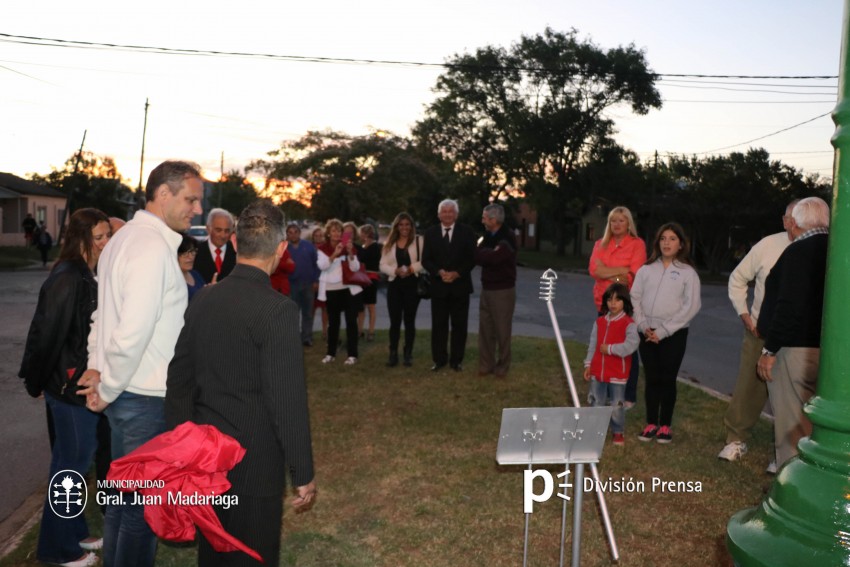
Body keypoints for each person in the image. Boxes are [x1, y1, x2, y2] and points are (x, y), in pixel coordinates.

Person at [166, 200, 316, 567]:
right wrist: (303, 471)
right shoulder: (278, 310)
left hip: (205, 456)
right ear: (281, 250)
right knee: (252, 554)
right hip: (255, 462)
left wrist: (183, 445)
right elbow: (287, 400)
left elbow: (179, 379)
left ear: (234, 242)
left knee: (214, 552)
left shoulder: (204, 297)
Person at [77, 160, 203, 567]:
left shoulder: (124, 239)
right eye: (191, 199)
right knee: (139, 512)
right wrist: (106, 386)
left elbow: (102, 316)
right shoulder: (149, 248)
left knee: (122, 505)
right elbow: (130, 329)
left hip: (128, 397)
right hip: (143, 400)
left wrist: (99, 372)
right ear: (163, 194)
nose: (196, 209)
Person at [19, 208, 111, 567]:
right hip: (68, 386)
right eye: (98, 237)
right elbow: (46, 333)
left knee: (73, 464)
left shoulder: (86, 272)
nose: (105, 243)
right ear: (81, 238)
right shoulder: (68, 276)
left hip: (76, 383)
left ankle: (74, 533)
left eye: (107, 236)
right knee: (70, 467)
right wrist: (35, 380)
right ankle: (59, 550)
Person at [717, 200, 797, 469]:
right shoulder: (767, 245)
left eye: (798, 217)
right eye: (789, 217)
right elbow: (738, 278)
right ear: (784, 220)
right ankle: (736, 438)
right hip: (760, 331)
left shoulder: (819, 248)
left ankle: (785, 453)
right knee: (749, 388)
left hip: (797, 337)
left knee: (792, 395)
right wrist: (745, 315)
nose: (792, 222)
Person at [756, 197, 829, 468]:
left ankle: (791, 484)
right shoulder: (835, 249)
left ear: (795, 223)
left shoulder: (799, 252)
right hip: (826, 349)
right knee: (817, 420)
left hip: (795, 349)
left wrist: (769, 349)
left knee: (791, 425)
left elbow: (789, 305)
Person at [631, 222, 701, 444]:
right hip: (646, 332)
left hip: (674, 334)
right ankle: (651, 422)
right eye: (663, 238)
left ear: (680, 244)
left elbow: (691, 306)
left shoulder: (687, 273)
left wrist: (663, 331)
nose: (667, 243)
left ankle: (665, 426)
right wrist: (643, 326)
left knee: (667, 379)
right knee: (652, 378)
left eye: (672, 239)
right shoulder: (646, 269)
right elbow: (635, 298)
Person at [588, 206, 647, 407]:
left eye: (621, 220)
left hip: (626, 304)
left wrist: (608, 272)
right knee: (602, 346)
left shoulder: (637, 245)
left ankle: (628, 395)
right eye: (613, 220)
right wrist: (621, 271)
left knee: (628, 347)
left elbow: (634, 274)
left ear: (629, 223)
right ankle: (603, 390)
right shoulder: (600, 244)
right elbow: (594, 271)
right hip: (603, 303)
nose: (617, 224)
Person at [421, 199, 477, 372]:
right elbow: (426, 260)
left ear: (456, 214)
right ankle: (439, 360)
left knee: (460, 326)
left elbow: (472, 258)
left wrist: (457, 273)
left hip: (460, 287)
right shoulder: (430, 233)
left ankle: (456, 361)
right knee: (439, 326)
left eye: (450, 211)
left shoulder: (467, 232)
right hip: (439, 287)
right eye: (444, 211)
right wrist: (439, 272)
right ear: (438, 215)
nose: (447, 214)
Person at [583, 283, 640, 446]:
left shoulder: (629, 324)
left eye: (617, 300)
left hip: (617, 374)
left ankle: (617, 432)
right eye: (609, 299)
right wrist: (588, 364)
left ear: (625, 302)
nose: (613, 303)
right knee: (596, 402)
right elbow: (593, 344)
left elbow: (631, 345)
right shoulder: (599, 322)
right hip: (598, 373)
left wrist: (610, 349)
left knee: (616, 405)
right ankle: (595, 431)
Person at [474, 203, 517, 377]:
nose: (482, 220)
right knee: (485, 329)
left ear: (493, 219)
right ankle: (486, 364)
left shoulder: (507, 237)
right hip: (487, 288)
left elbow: (496, 257)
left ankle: (502, 366)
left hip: (503, 291)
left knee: (502, 330)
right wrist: (486, 254)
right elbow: (477, 255)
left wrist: (484, 254)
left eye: (484, 217)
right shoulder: (487, 236)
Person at [379, 213, 424, 367]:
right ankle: (393, 354)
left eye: (407, 224)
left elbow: (425, 260)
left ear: (411, 226)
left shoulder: (419, 241)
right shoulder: (390, 243)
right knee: (395, 322)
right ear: (396, 226)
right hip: (395, 285)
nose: (404, 227)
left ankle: (407, 354)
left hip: (412, 285)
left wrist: (411, 269)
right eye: (401, 225)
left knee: (409, 321)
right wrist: (394, 271)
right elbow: (382, 264)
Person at [317, 219, 362, 365]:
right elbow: (322, 266)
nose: (337, 233)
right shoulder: (322, 249)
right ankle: (331, 353)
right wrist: (334, 255)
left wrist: (350, 253)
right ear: (328, 234)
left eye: (339, 231)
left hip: (348, 289)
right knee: (333, 323)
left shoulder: (348, 247)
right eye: (334, 231)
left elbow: (355, 268)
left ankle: (352, 354)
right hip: (331, 289)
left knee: (351, 322)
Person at [286, 223, 320, 346]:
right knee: (293, 314)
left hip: (308, 284)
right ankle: (293, 339)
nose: (293, 234)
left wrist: (316, 280)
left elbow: (316, 265)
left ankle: (307, 338)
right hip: (292, 285)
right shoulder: (284, 249)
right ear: (287, 234)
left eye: (295, 232)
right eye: (290, 232)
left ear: (299, 233)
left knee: (308, 313)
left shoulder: (309, 246)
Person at [194, 208, 237, 283]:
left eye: (227, 231)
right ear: (208, 229)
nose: (223, 235)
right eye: (218, 230)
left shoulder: (237, 253)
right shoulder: (196, 252)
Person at [357, 223, 381, 341]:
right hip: (361, 278)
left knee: (371, 305)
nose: (359, 235)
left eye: (361, 233)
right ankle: (359, 330)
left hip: (371, 277)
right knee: (361, 306)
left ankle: (371, 331)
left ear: (365, 234)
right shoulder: (363, 246)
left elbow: (366, 259)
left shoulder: (375, 247)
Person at [311, 227, 329, 341]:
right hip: (312, 282)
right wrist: (314, 281)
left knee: (325, 309)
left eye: (320, 235)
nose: (318, 237)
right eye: (316, 235)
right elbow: (309, 266)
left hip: (325, 282)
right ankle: (309, 332)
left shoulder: (327, 248)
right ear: (313, 237)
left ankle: (325, 332)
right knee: (311, 309)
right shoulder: (310, 248)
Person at [178, 233, 206, 300]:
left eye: (193, 252)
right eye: (185, 253)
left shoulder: (195, 274)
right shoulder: (172, 280)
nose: (191, 257)